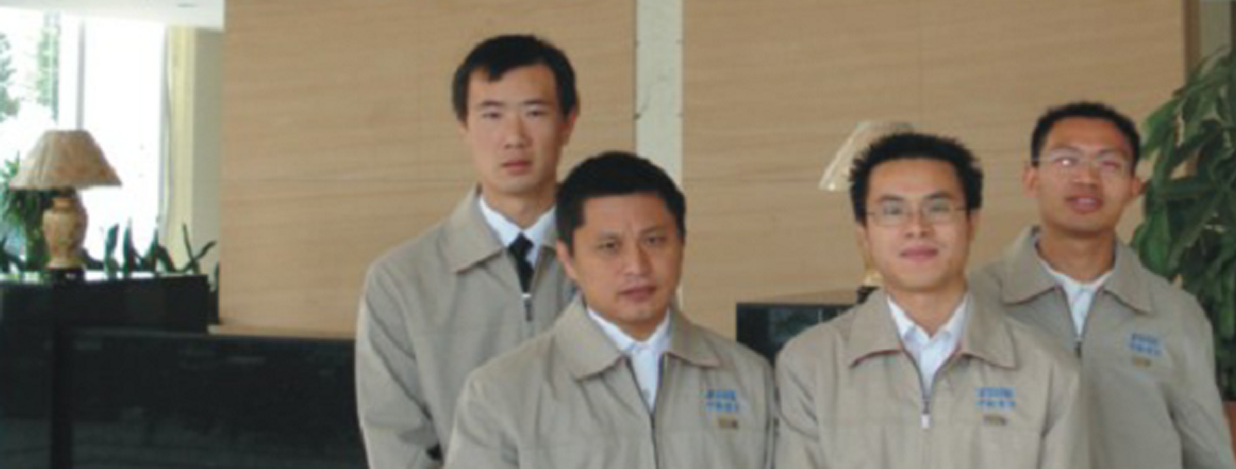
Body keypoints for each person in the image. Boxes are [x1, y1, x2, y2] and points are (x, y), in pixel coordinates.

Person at [777, 132, 1087, 469]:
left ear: (971, 222)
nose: (917, 227)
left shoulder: (1048, 371)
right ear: (863, 232)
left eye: (937, 208)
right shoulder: (811, 365)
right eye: (892, 211)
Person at [446, 151, 775, 469]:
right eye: (609, 247)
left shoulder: (748, 377)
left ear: (682, 244)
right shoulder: (501, 392)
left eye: (654, 241)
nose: (636, 266)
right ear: (568, 260)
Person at [356, 34, 582, 468]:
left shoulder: (617, 264)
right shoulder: (401, 280)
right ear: (463, 126)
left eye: (534, 113)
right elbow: (397, 445)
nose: (514, 137)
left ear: (568, 121)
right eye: (492, 115)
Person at [972, 101, 1236, 469]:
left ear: (1133, 187)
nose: (1087, 178)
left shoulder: (1173, 311)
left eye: (1109, 164)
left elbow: (1208, 453)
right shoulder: (975, 302)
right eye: (1066, 160)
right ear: (1031, 177)